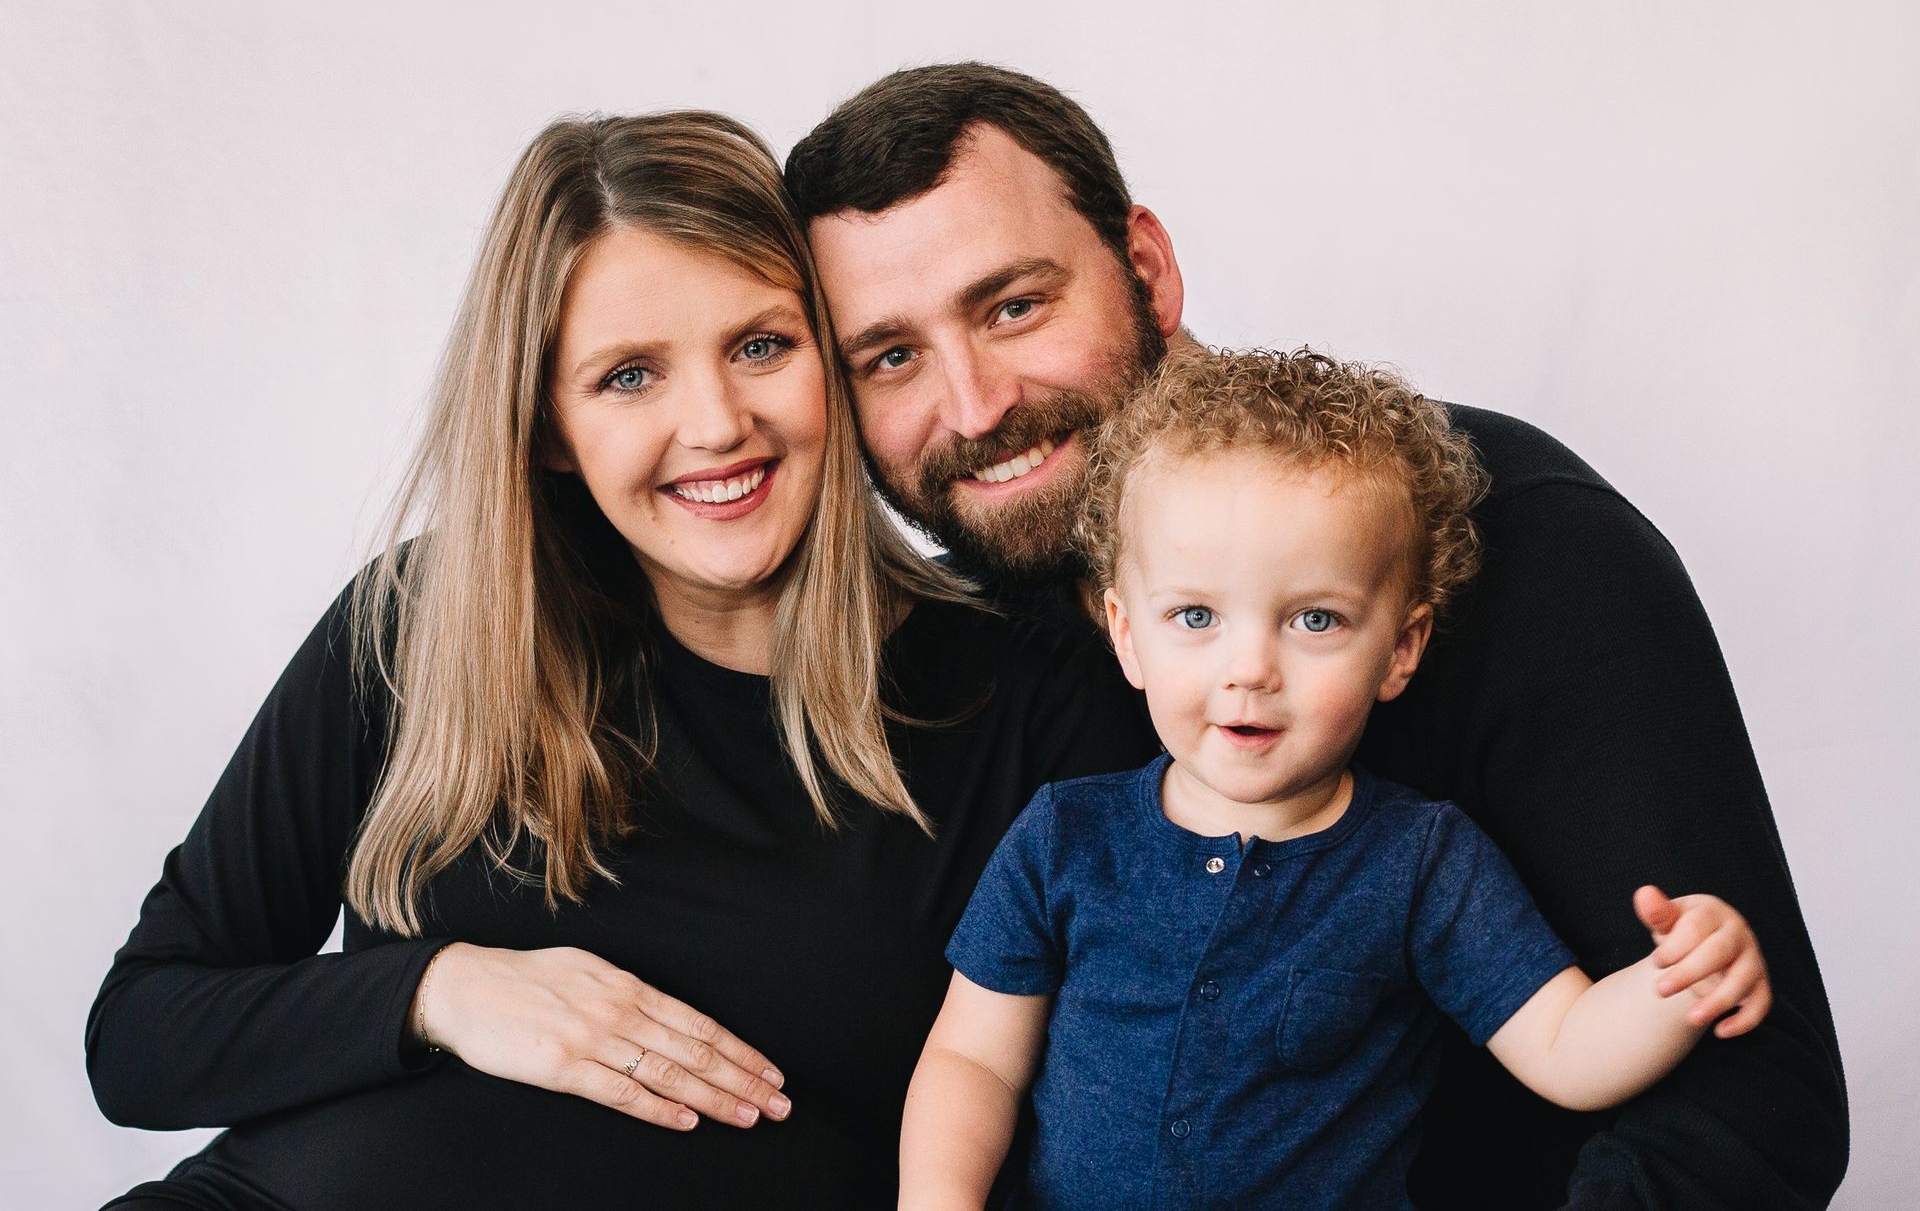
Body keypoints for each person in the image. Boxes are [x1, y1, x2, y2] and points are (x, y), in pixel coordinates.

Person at [786, 64, 1848, 1206]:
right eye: (889, 356)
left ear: (1145, 268)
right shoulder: (957, 643)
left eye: (1015, 306)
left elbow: (1751, 1108)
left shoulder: (1520, 545)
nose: (976, 403)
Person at [85, 111, 1157, 1210]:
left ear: (832, 366)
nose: (715, 423)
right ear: (548, 422)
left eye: (759, 345)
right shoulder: (423, 624)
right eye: (629, 376)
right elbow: (141, 1034)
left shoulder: (1035, 707)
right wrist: (441, 991)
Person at [897, 343, 1774, 1210]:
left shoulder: (1421, 863)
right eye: (1195, 614)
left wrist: (1678, 983)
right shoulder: (1066, 839)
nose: (1251, 669)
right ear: (1126, 632)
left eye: (1314, 619)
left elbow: (1563, 1045)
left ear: (1400, 649)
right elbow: (974, 1057)